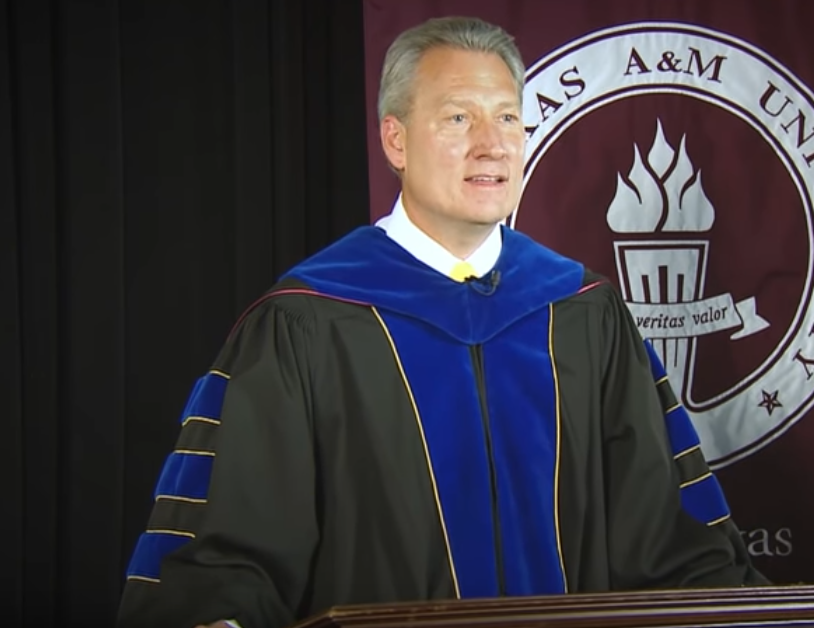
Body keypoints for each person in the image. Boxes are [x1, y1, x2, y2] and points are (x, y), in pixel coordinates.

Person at [116, 15, 767, 628]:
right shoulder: (306, 323)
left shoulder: (581, 312)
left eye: (508, 119)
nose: (490, 144)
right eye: (458, 118)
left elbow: (668, 538)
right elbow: (231, 552)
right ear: (394, 139)